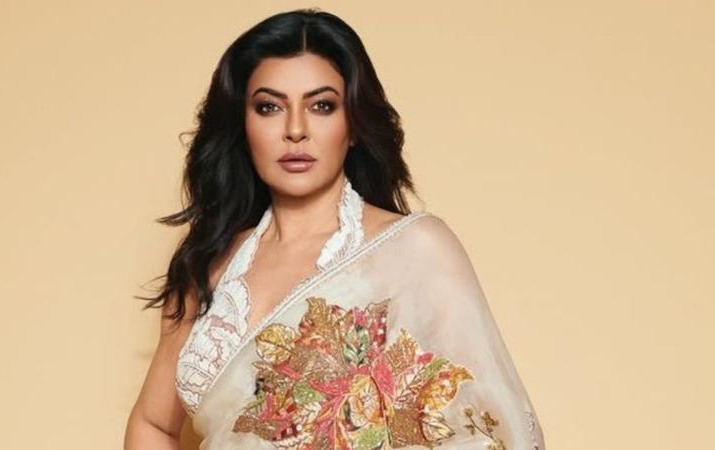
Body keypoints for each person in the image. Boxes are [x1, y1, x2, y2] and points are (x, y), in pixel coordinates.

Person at [124, 8, 545, 450]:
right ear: (242, 126)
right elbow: (153, 424)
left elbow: (496, 428)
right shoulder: (208, 263)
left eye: (322, 106)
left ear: (354, 125)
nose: (295, 130)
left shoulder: (413, 250)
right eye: (269, 107)